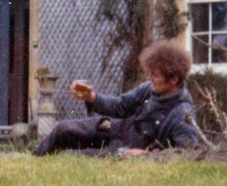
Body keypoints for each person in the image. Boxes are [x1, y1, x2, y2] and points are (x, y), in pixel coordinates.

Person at [33, 42, 199, 157]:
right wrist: (92, 97)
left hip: (127, 150)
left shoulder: (183, 113)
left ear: (173, 80)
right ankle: (35, 158)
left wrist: (147, 155)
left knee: (83, 157)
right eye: (149, 73)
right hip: (117, 128)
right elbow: (119, 106)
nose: (149, 78)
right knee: (64, 128)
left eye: (155, 75)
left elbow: (186, 153)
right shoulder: (147, 89)